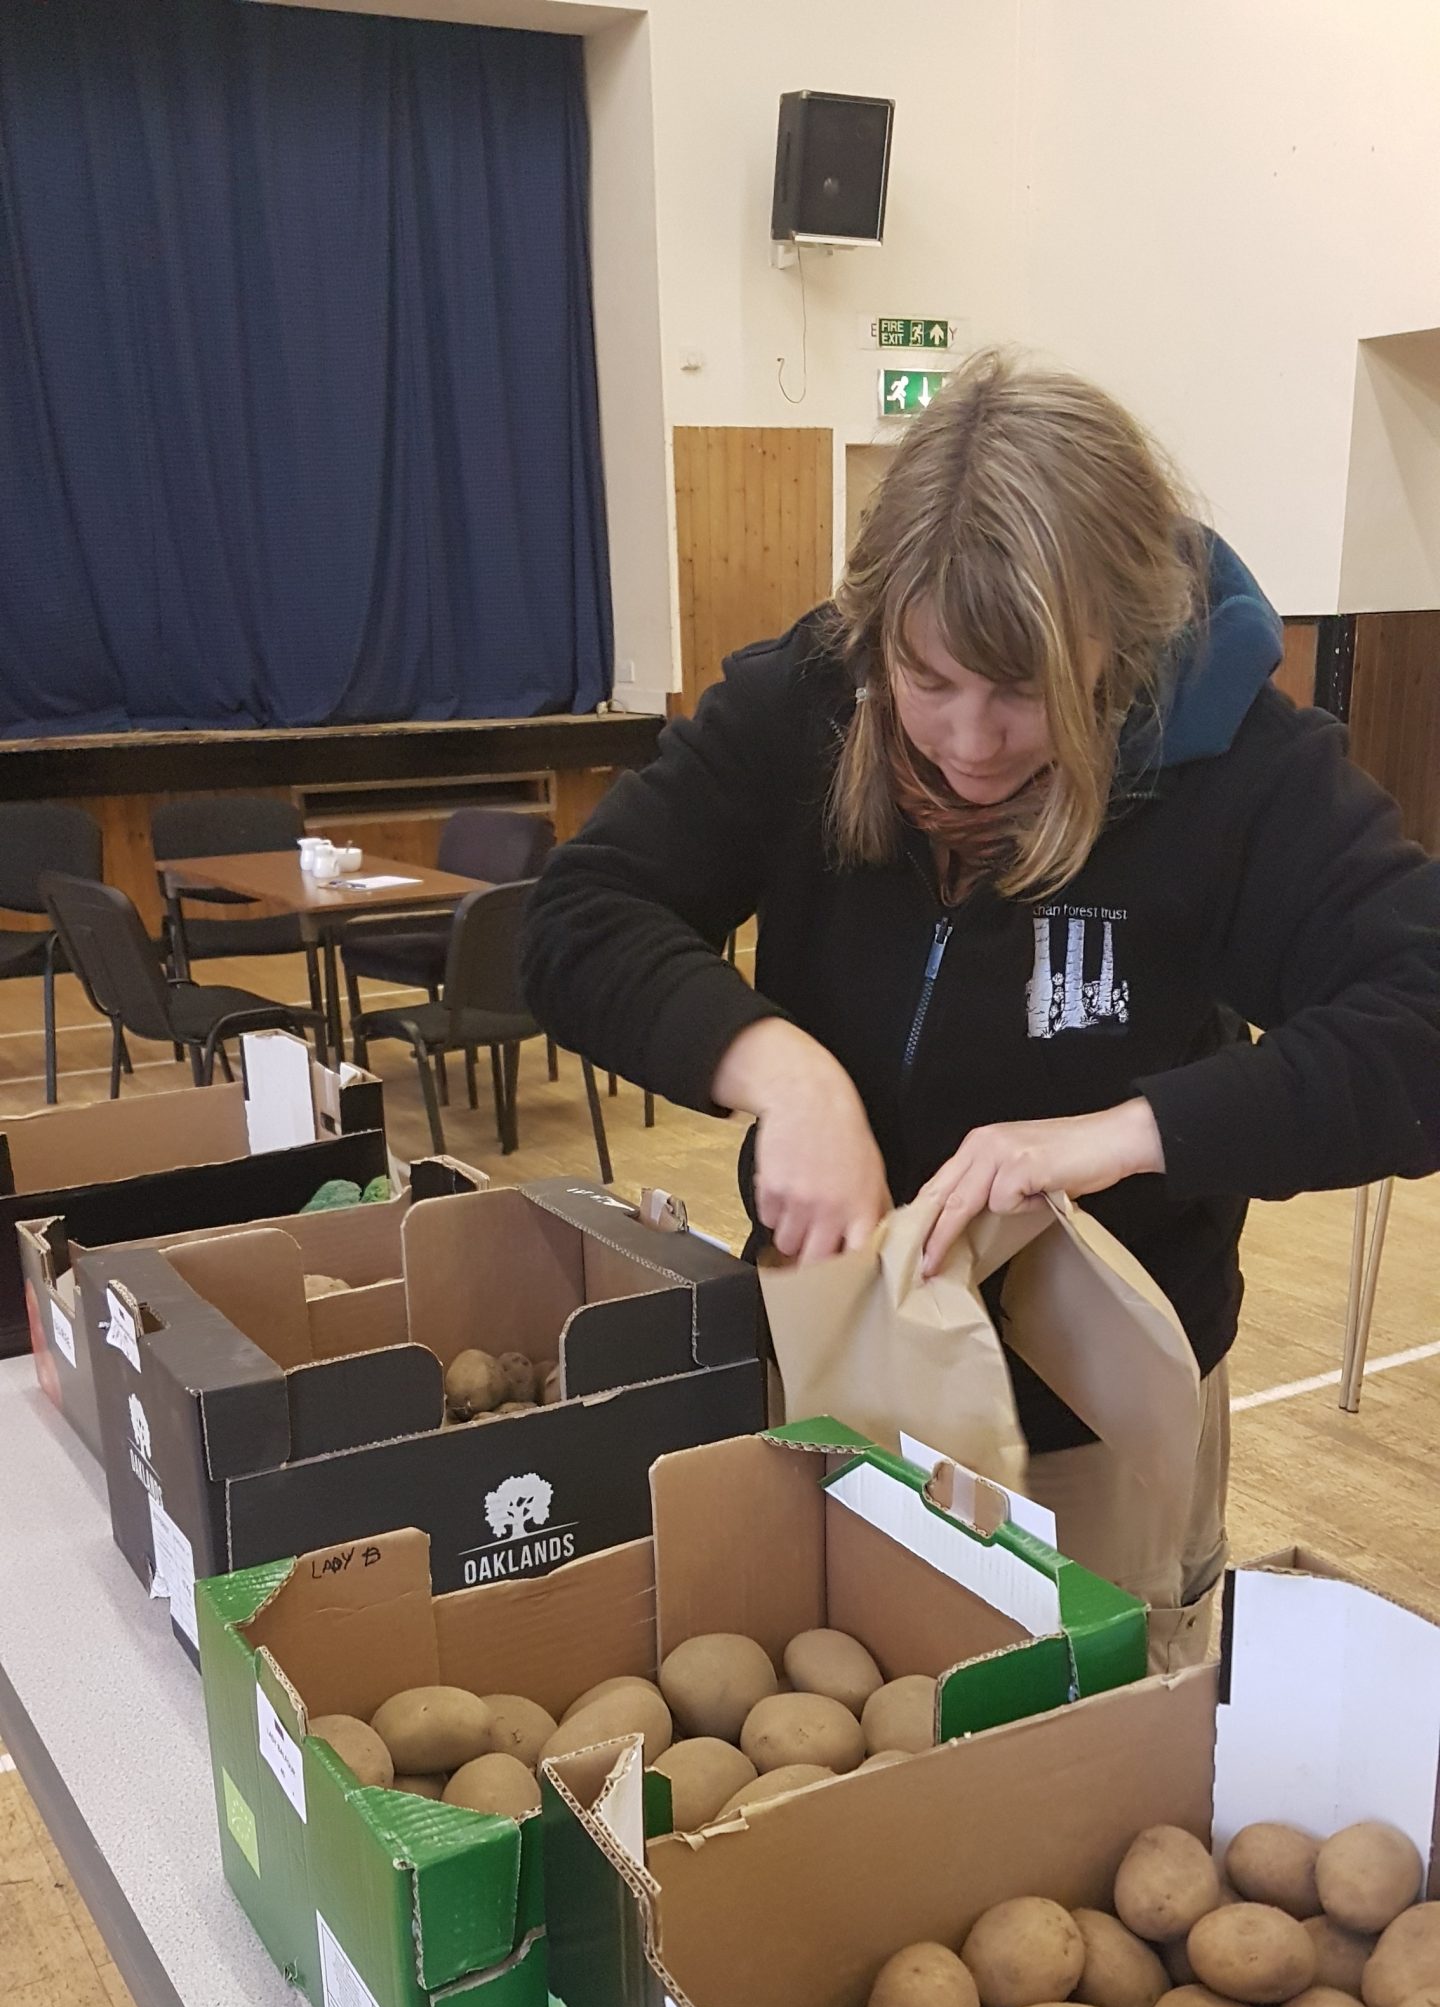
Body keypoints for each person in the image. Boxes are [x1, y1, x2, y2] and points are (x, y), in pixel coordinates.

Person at [521, 350, 1440, 1668]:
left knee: (1086, 1781)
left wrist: (1122, 1133)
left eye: (1025, 693)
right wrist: (780, 1070)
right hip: (828, 1371)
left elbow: (1422, 1016)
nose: (968, 738)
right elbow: (579, 918)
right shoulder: (801, 707)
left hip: (1093, 1435)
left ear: (1119, 643)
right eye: (930, 679)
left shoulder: (1239, 771)